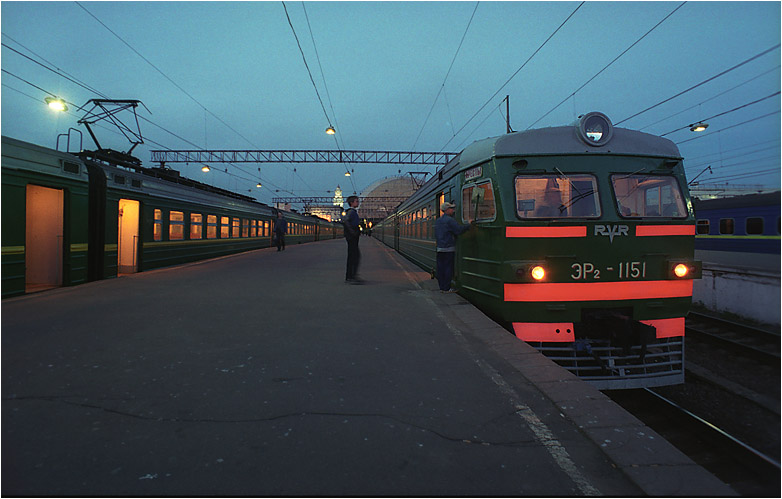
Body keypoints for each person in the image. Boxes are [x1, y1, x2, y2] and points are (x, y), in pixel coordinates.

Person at [435, 201, 473, 293]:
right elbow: (458, 230)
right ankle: (447, 288)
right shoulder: (450, 220)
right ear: (447, 210)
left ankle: (442, 287)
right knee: (448, 268)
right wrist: (469, 225)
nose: (453, 210)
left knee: (441, 269)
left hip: (440, 248)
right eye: (451, 209)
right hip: (448, 248)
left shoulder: (438, 221)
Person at [344, 195, 362, 283]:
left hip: (352, 237)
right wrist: (353, 232)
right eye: (356, 201)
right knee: (353, 256)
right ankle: (351, 277)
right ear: (352, 203)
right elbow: (346, 221)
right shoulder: (351, 212)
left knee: (354, 256)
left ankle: (351, 276)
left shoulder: (353, 212)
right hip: (352, 238)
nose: (358, 203)